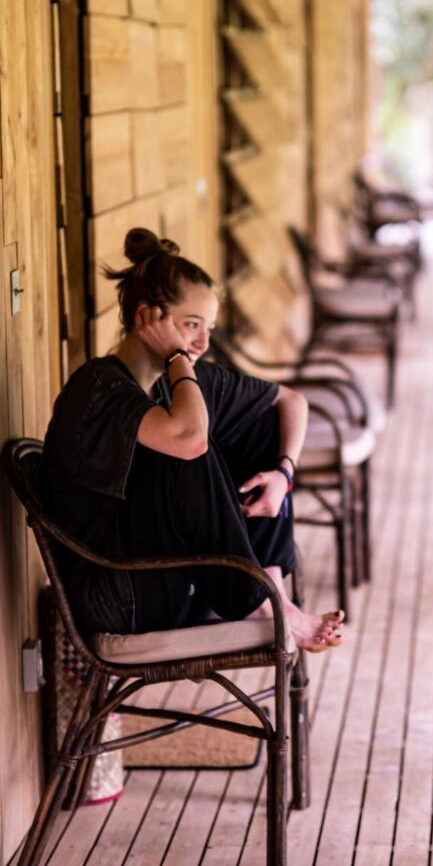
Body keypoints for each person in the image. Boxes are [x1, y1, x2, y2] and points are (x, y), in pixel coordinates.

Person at [42, 228, 344, 652]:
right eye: (191, 326)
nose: (203, 342)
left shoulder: (183, 381)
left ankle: (269, 585)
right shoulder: (98, 388)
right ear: (150, 319)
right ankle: (260, 601)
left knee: (259, 425)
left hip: (167, 575)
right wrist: (176, 357)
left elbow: (290, 402)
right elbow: (189, 439)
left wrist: (283, 475)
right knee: (186, 442)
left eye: (210, 327)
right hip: (115, 592)